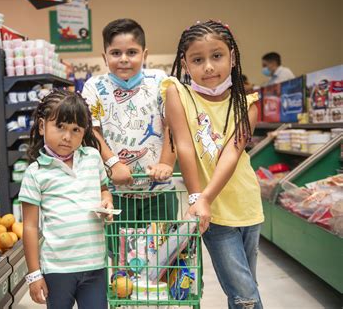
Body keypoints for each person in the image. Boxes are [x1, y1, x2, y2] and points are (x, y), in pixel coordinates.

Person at [162, 20, 264, 308]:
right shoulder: (177, 93)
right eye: (198, 59)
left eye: (216, 56)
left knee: (245, 289)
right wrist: (199, 197)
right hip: (213, 215)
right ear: (184, 63)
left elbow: (232, 154)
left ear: (232, 57)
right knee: (245, 294)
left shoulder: (248, 103)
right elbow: (184, 145)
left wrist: (205, 196)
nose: (208, 66)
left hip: (247, 205)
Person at [20, 89, 113, 309]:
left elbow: (104, 189)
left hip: (95, 264)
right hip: (57, 268)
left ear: (84, 132)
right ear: (42, 126)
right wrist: (34, 274)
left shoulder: (92, 157)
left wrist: (106, 201)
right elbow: (31, 227)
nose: (67, 137)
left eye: (75, 130)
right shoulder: (36, 173)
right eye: (59, 127)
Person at [81, 18, 177, 229]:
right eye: (116, 53)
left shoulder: (160, 81)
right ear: (104, 57)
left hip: (160, 191)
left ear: (145, 54)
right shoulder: (94, 87)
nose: (124, 59)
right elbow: (92, 132)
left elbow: (173, 125)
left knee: (164, 254)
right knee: (122, 258)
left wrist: (166, 164)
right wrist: (113, 163)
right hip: (115, 195)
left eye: (132, 52)